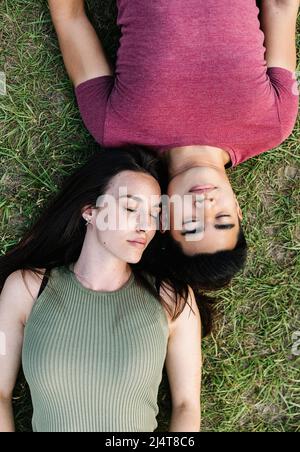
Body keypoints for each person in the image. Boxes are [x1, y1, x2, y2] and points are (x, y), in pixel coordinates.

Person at [47, 0, 299, 288]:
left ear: (165, 219)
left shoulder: (115, 128)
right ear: (238, 210)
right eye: (222, 219)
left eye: (191, 225)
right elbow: (281, 8)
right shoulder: (273, 124)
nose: (205, 206)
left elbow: (70, 20)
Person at [0, 147, 202, 432]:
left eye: (155, 214)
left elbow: (187, 406)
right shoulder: (26, 290)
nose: (146, 225)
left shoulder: (171, 299)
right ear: (90, 211)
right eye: (131, 208)